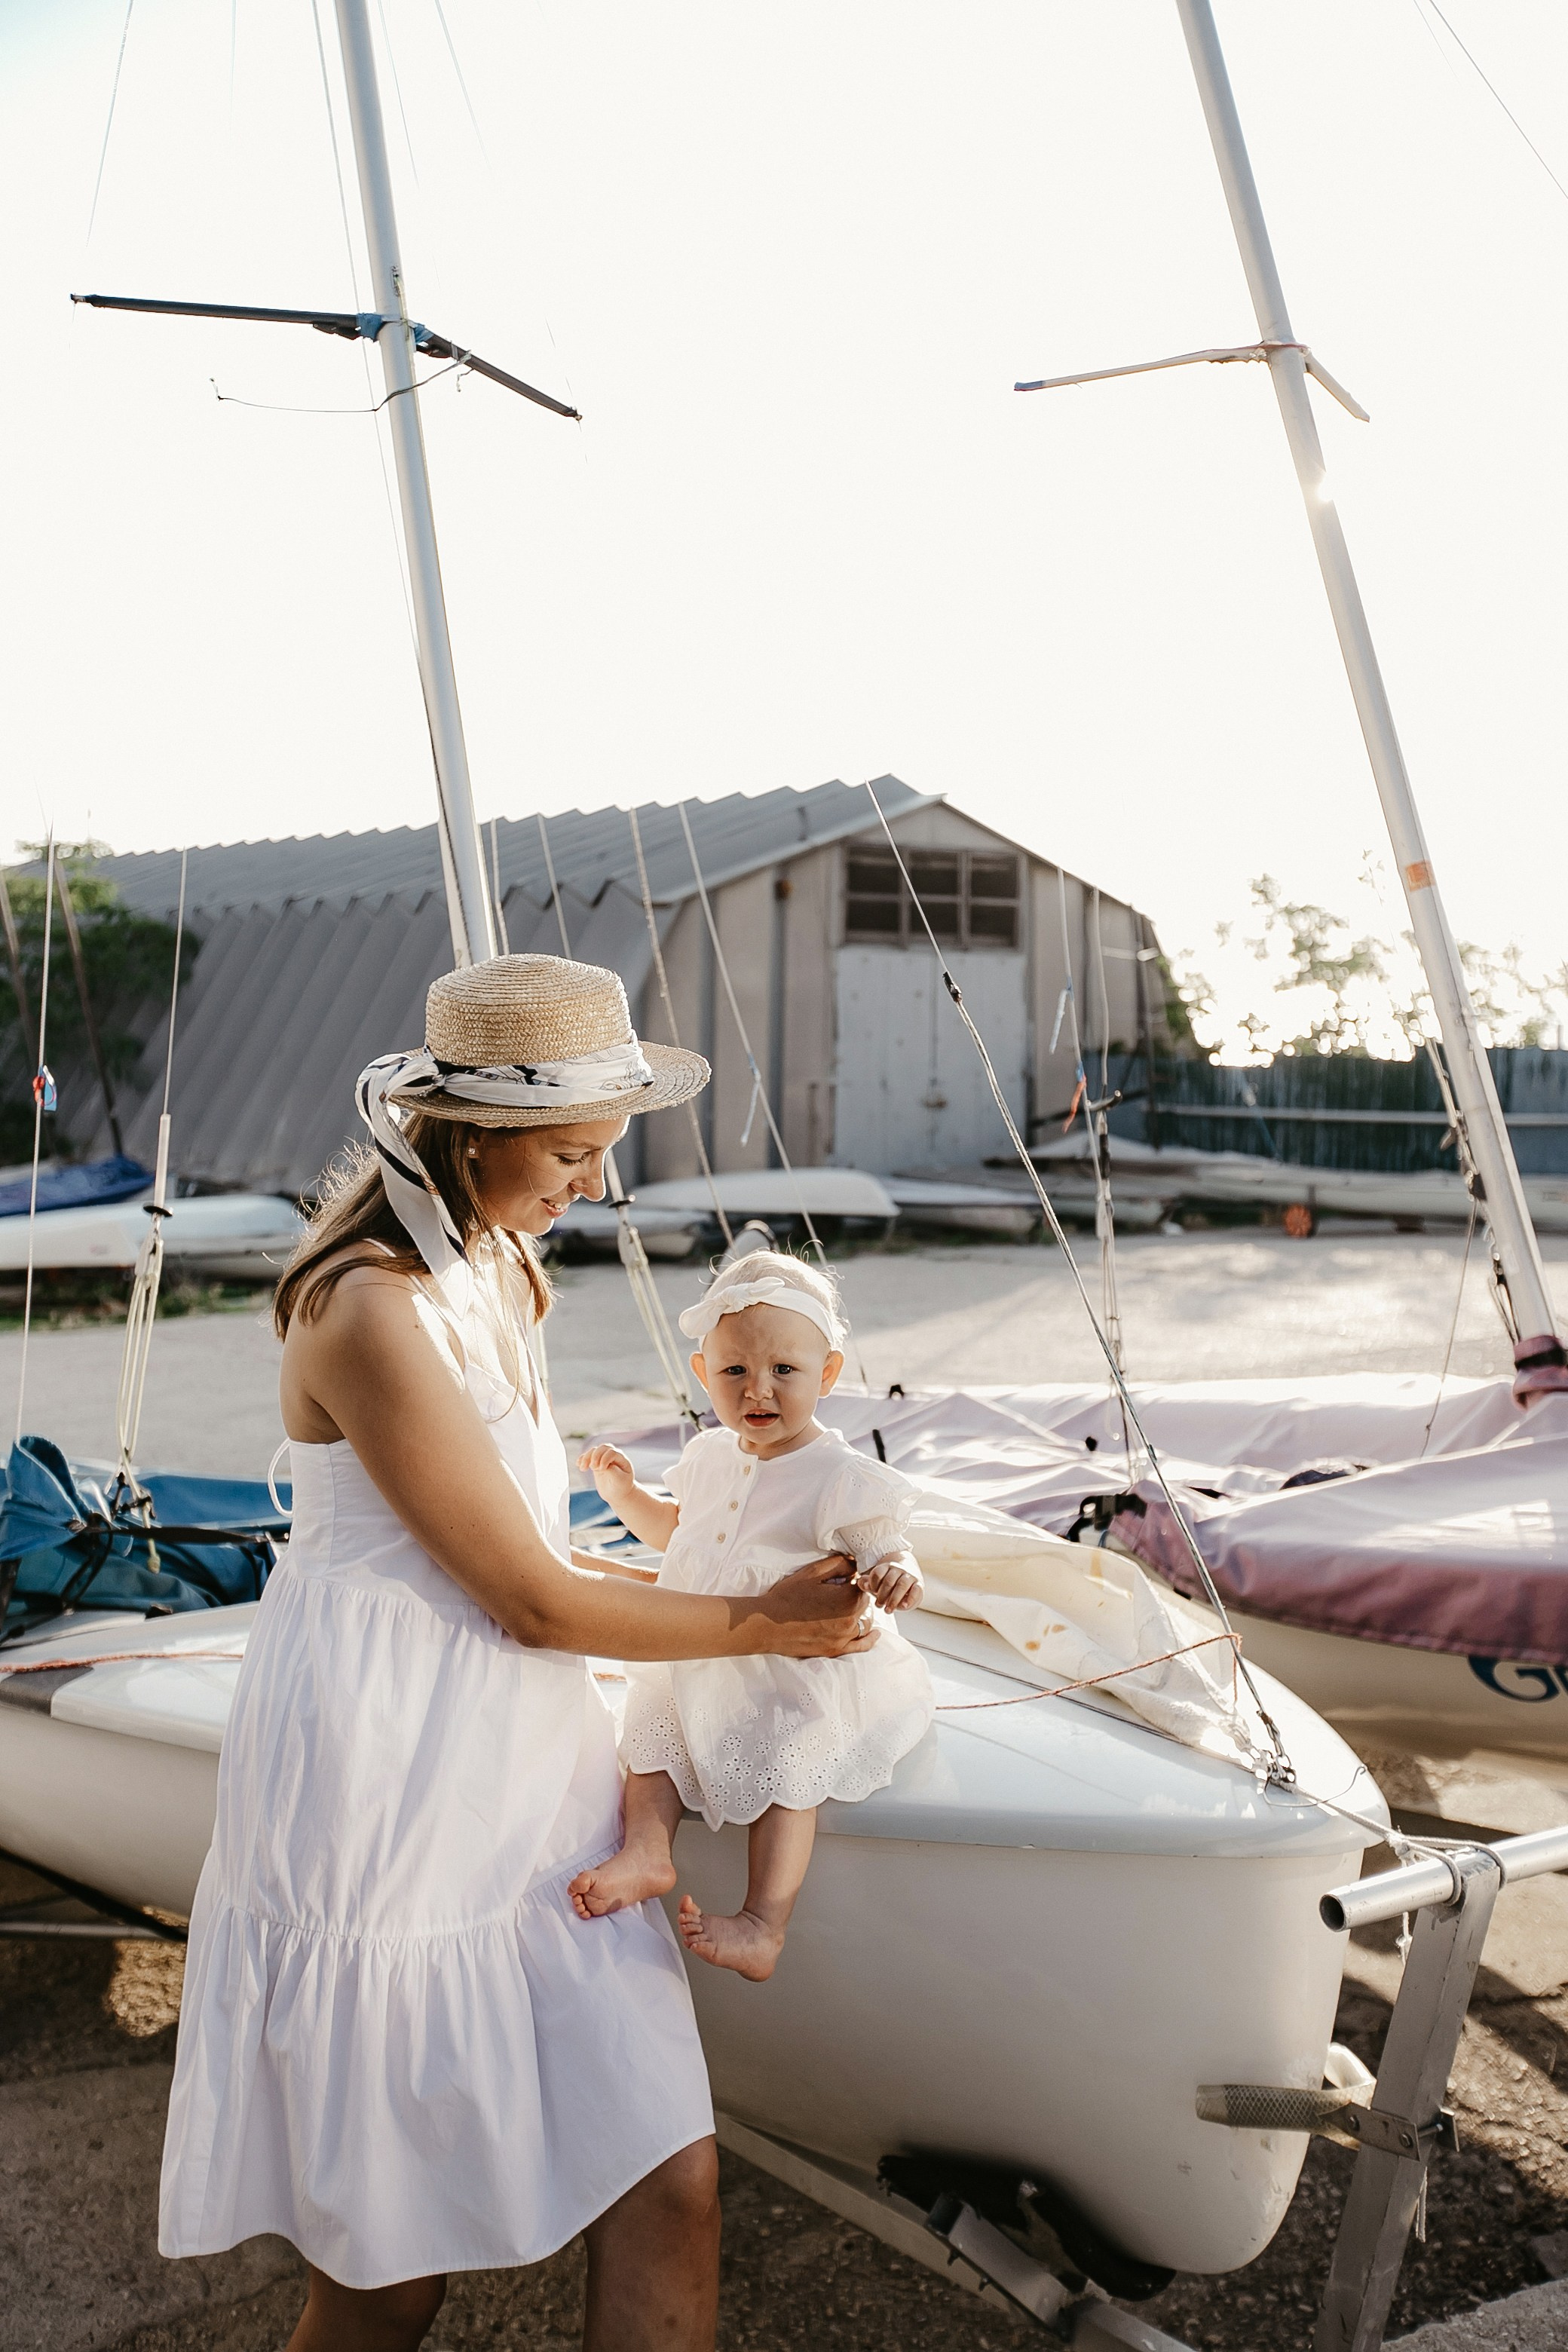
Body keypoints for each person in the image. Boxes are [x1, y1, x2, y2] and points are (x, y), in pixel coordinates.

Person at [158, 957, 877, 2352]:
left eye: (604, 1154)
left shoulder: (500, 1267)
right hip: (395, 1782)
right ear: (466, 1133)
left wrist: (758, 1587)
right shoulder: (365, 1307)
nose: (591, 1187)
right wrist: (768, 1623)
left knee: (671, 2175)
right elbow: (531, 1601)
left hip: (526, 1759)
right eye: (569, 1155)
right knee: (390, 2272)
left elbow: (543, 1560)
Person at [571, 1251, 935, 1982]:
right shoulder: (708, 1455)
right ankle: (648, 1851)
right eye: (734, 1372)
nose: (757, 1389)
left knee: (790, 1753)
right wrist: (622, 1498)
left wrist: (898, 1570)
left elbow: (884, 1543)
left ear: (826, 1376)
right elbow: (680, 1531)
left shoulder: (837, 1475)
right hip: (706, 1655)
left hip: (795, 1668)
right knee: (650, 1729)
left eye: (784, 1372)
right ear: (704, 1375)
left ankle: (764, 1922)